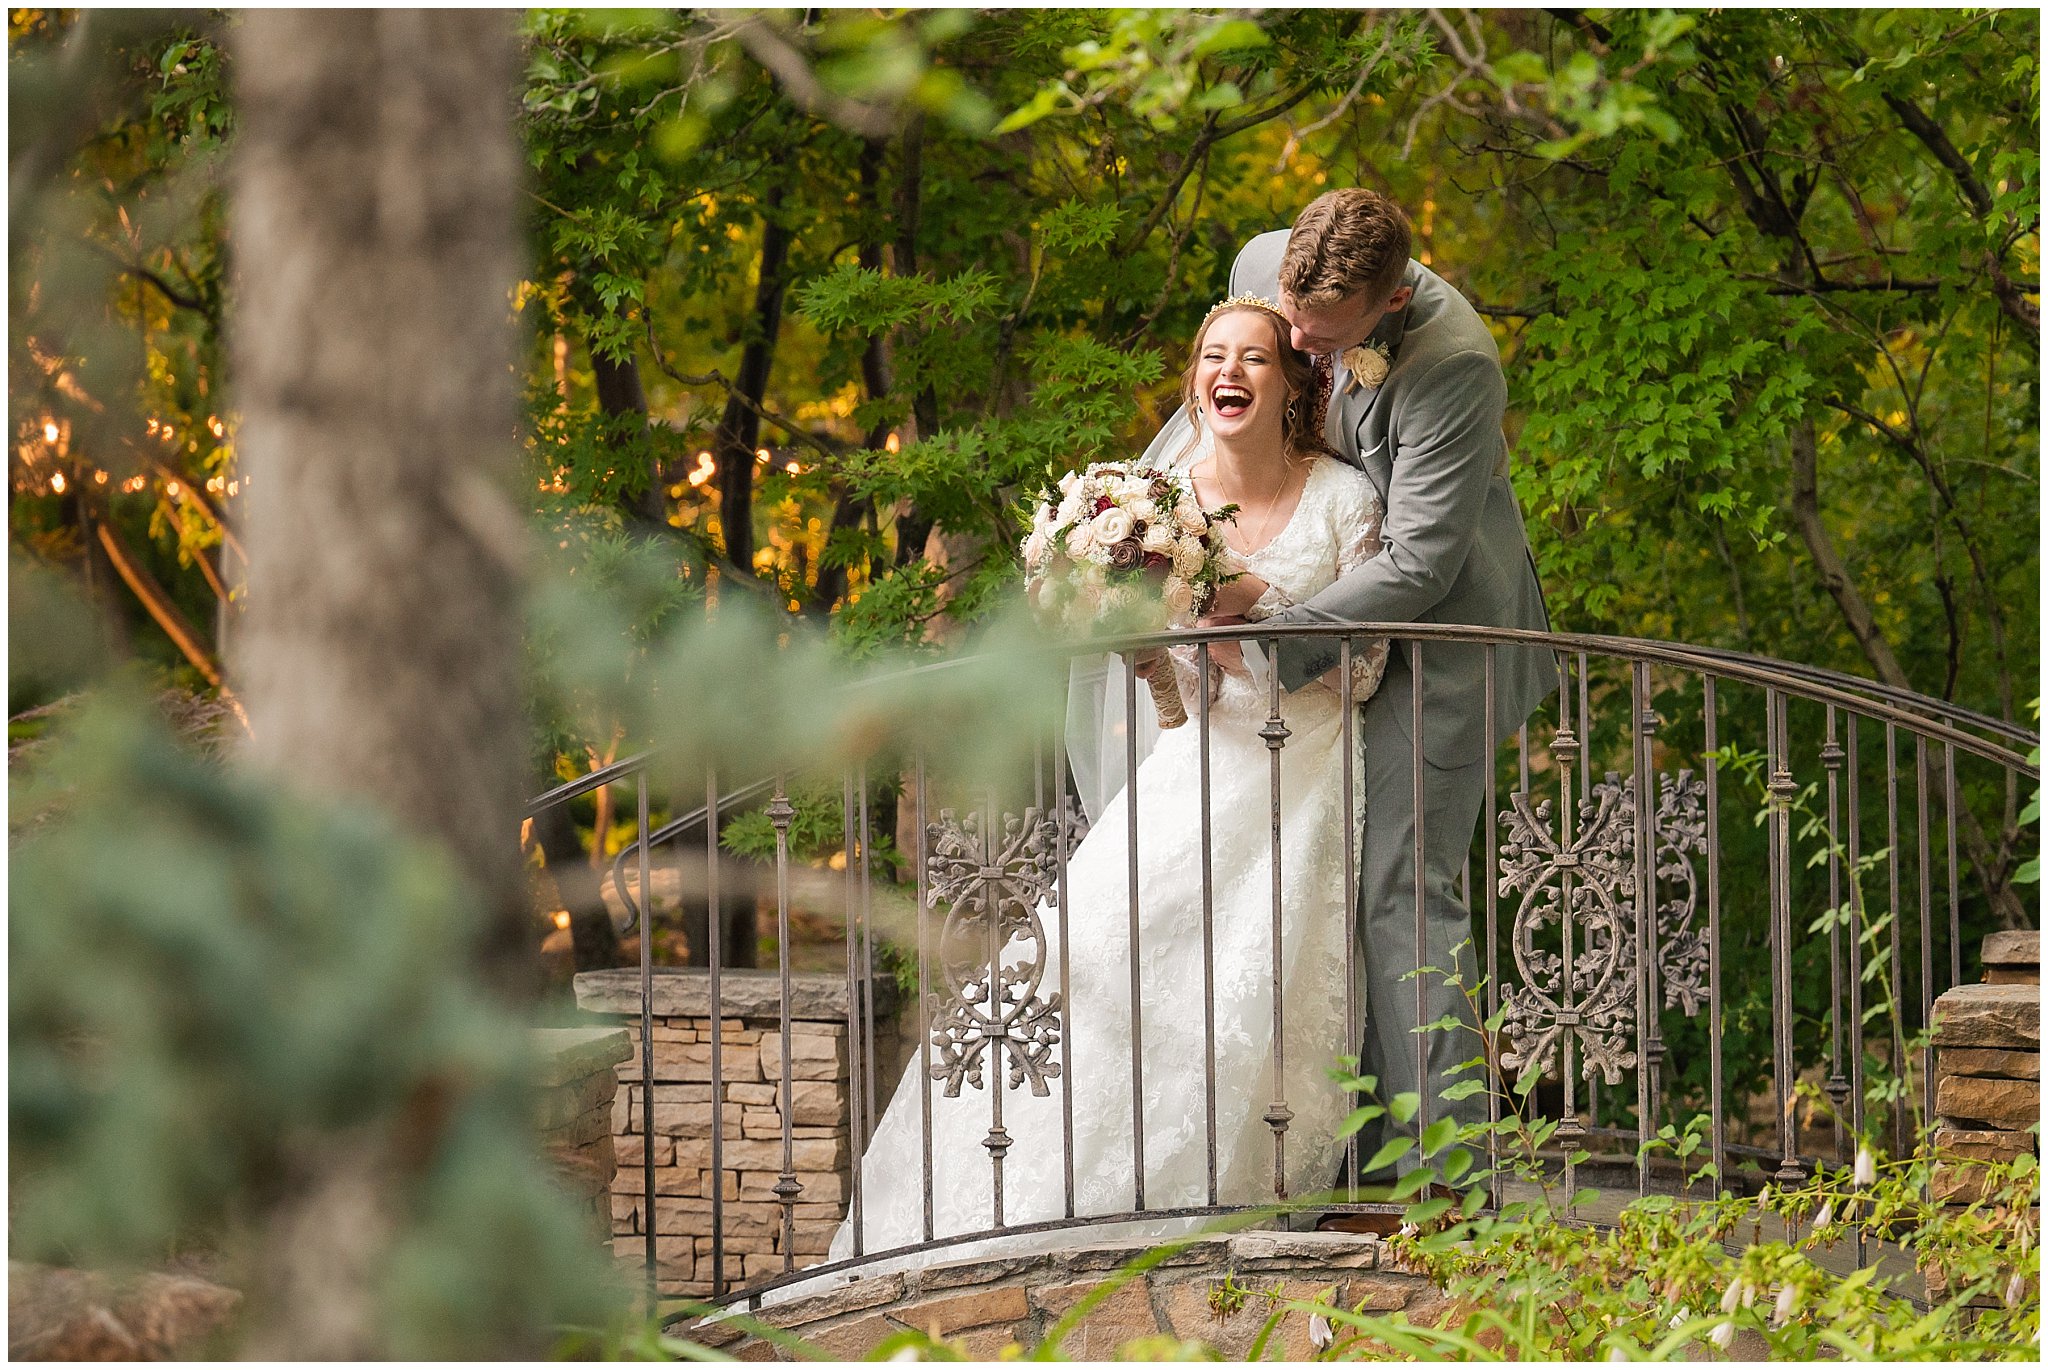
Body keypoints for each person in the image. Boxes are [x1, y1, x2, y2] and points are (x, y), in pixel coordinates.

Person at [826, 299, 1391, 1266]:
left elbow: (1369, 667)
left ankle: (1202, 1216)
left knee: (1243, 990)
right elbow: (1170, 690)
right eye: (1215, 356)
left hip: (1306, 776)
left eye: (1257, 358)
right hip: (1195, 767)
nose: (1233, 372)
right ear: (1194, 381)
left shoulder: (1344, 498)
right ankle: (1004, 1207)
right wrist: (1143, 649)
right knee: (1096, 957)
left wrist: (1250, 598)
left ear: (1295, 383)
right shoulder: (1159, 496)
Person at [1126, 188, 1556, 1215]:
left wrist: (1263, 616)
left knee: (1396, 891)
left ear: (1391, 300)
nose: (1303, 354)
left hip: (1440, 636)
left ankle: (1452, 1176)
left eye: (1323, 342)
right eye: (1291, 324)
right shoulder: (1263, 262)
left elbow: (1415, 559)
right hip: (1309, 588)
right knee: (1295, 881)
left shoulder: (1454, 365)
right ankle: (1345, 1154)